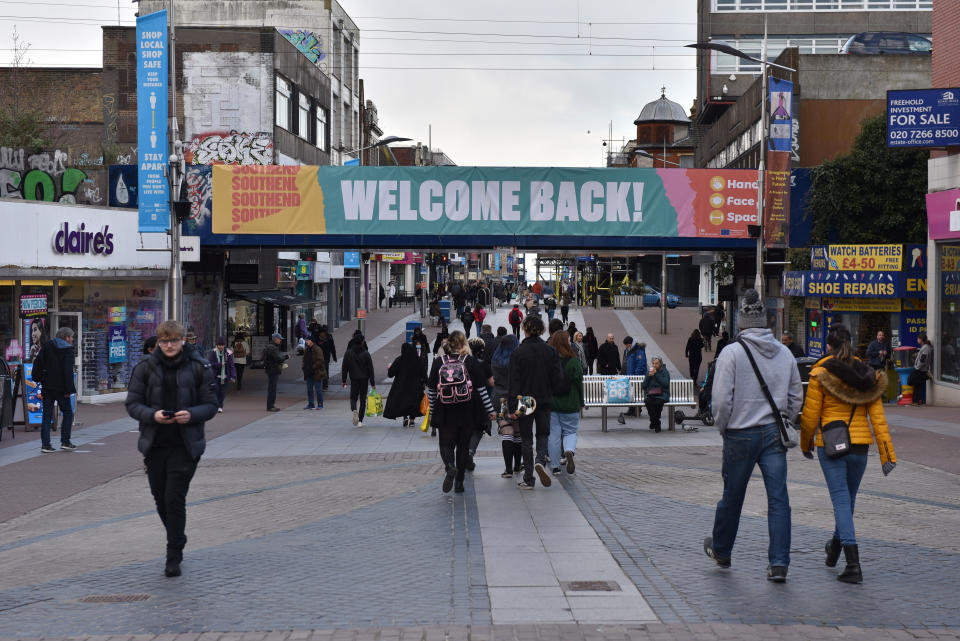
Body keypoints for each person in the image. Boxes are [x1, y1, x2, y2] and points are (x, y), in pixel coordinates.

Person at [703, 289, 803, 583]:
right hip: (774, 434)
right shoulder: (784, 353)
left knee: (732, 496)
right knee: (778, 499)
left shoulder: (731, 353)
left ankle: (722, 551)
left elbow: (721, 401)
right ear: (765, 320)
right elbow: (796, 396)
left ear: (742, 323)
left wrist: (724, 427)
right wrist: (786, 418)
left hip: (739, 434)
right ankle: (779, 563)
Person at [800, 323, 897, 584]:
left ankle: (853, 565)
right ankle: (834, 548)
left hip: (831, 445)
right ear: (851, 344)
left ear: (829, 346)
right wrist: (887, 454)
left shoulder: (820, 373)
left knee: (842, 502)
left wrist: (806, 443)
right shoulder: (868, 375)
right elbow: (877, 419)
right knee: (848, 501)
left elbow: (810, 417)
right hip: (860, 448)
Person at [125, 319, 218, 577]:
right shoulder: (144, 367)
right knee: (159, 498)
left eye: (174, 340)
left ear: (182, 341)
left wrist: (192, 414)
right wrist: (152, 415)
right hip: (154, 443)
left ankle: (173, 554)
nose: (169, 345)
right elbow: (132, 404)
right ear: (158, 342)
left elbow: (211, 404)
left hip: (186, 444)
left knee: (173, 498)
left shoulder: (199, 366)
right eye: (164, 341)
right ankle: (178, 535)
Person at [426, 331, 496, 493]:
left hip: (445, 410)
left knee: (445, 444)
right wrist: (490, 411)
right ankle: (459, 483)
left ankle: (450, 466)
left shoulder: (439, 362)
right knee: (463, 447)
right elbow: (481, 390)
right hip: (467, 411)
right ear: (464, 344)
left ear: (448, 343)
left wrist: (432, 411)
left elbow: (431, 390)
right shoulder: (470, 362)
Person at [508, 315, 567, 489]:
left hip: (525, 401)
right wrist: (551, 391)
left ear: (525, 329)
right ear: (541, 330)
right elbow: (558, 379)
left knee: (526, 439)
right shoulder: (550, 351)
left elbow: (514, 382)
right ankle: (540, 460)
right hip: (544, 399)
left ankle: (528, 478)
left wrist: (513, 407)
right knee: (543, 434)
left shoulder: (518, 352)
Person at [32, 327, 77, 453]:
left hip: (47, 386)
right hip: (62, 388)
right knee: (68, 412)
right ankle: (65, 441)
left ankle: (45, 444)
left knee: (47, 415)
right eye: (71, 337)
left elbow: (38, 364)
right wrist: (69, 390)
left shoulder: (47, 346)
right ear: (66, 337)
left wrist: (40, 378)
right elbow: (67, 371)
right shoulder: (68, 350)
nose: (72, 339)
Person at [547, 330, 583, 476]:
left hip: (552, 403)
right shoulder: (574, 361)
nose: (570, 342)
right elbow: (579, 383)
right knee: (570, 431)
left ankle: (555, 467)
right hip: (571, 402)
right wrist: (581, 401)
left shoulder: (548, 361)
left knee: (554, 435)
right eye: (569, 340)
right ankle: (569, 450)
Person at [491, 334, 522, 477]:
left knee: (506, 431)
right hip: (517, 398)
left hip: (500, 398)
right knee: (517, 431)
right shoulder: (518, 360)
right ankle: (517, 465)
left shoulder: (495, 360)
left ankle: (508, 469)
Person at [384, 342, 426, 427]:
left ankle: (405, 417)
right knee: (414, 403)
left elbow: (391, 374)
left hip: (401, 386)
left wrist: (389, 368)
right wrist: (426, 383)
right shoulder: (417, 360)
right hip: (415, 387)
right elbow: (423, 373)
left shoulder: (399, 360)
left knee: (403, 402)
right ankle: (412, 420)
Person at [341, 331, 376, 427]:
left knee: (353, 397)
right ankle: (360, 420)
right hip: (364, 379)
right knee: (363, 400)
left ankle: (354, 409)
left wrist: (344, 380)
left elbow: (344, 367)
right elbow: (370, 369)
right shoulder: (366, 353)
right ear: (362, 342)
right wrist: (372, 382)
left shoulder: (348, 353)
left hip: (354, 378)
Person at [617, 337, 646, 424]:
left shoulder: (639, 350)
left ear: (630, 343)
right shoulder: (629, 350)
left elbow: (641, 364)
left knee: (637, 393)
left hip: (636, 376)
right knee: (631, 392)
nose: (626, 346)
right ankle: (631, 409)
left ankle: (637, 409)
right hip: (630, 375)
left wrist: (636, 375)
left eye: (626, 344)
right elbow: (626, 362)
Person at [641, 356, 670, 433]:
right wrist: (648, 376)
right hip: (651, 394)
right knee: (648, 401)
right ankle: (656, 422)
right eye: (653, 363)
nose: (654, 365)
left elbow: (665, 384)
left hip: (662, 394)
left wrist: (656, 375)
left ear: (660, 363)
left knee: (658, 402)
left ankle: (654, 421)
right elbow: (643, 386)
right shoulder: (649, 372)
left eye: (656, 363)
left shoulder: (665, 372)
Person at [207, 336, 236, 413]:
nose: (221, 347)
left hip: (225, 376)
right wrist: (220, 364)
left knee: (222, 392)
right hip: (216, 376)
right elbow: (210, 363)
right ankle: (217, 405)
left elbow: (231, 365)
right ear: (217, 345)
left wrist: (233, 376)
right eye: (219, 345)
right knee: (216, 391)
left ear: (224, 345)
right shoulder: (213, 352)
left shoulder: (228, 353)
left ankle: (220, 406)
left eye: (222, 345)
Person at [262, 332, 288, 411]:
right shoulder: (273, 348)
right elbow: (278, 359)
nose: (280, 341)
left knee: (272, 388)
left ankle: (271, 404)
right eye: (280, 339)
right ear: (276, 339)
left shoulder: (270, 347)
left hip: (270, 369)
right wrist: (286, 357)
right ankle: (270, 406)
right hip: (273, 369)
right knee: (272, 388)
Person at [301, 335, 327, 409]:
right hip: (308, 372)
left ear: (311, 341)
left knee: (318, 389)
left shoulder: (317, 349)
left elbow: (320, 360)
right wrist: (304, 367)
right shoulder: (307, 349)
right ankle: (311, 404)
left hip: (316, 372)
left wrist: (313, 367)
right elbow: (304, 359)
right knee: (309, 389)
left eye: (307, 340)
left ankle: (320, 404)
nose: (306, 342)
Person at [908, 332, 933, 405]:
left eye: (918, 339)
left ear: (921, 339)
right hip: (921, 369)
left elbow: (923, 359)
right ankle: (916, 401)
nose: (917, 340)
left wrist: (917, 367)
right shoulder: (924, 347)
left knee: (911, 381)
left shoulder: (925, 348)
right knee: (918, 385)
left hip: (920, 369)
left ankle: (926, 376)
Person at [316, 326, 337, 391]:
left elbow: (332, 348)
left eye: (323, 333)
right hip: (318, 357)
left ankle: (325, 386)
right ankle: (318, 384)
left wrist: (334, 356)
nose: (322, 334)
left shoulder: (329, 338)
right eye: (321, 333)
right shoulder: (317, 338)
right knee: (318, 370)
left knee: (325, 370)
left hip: (326, 357)